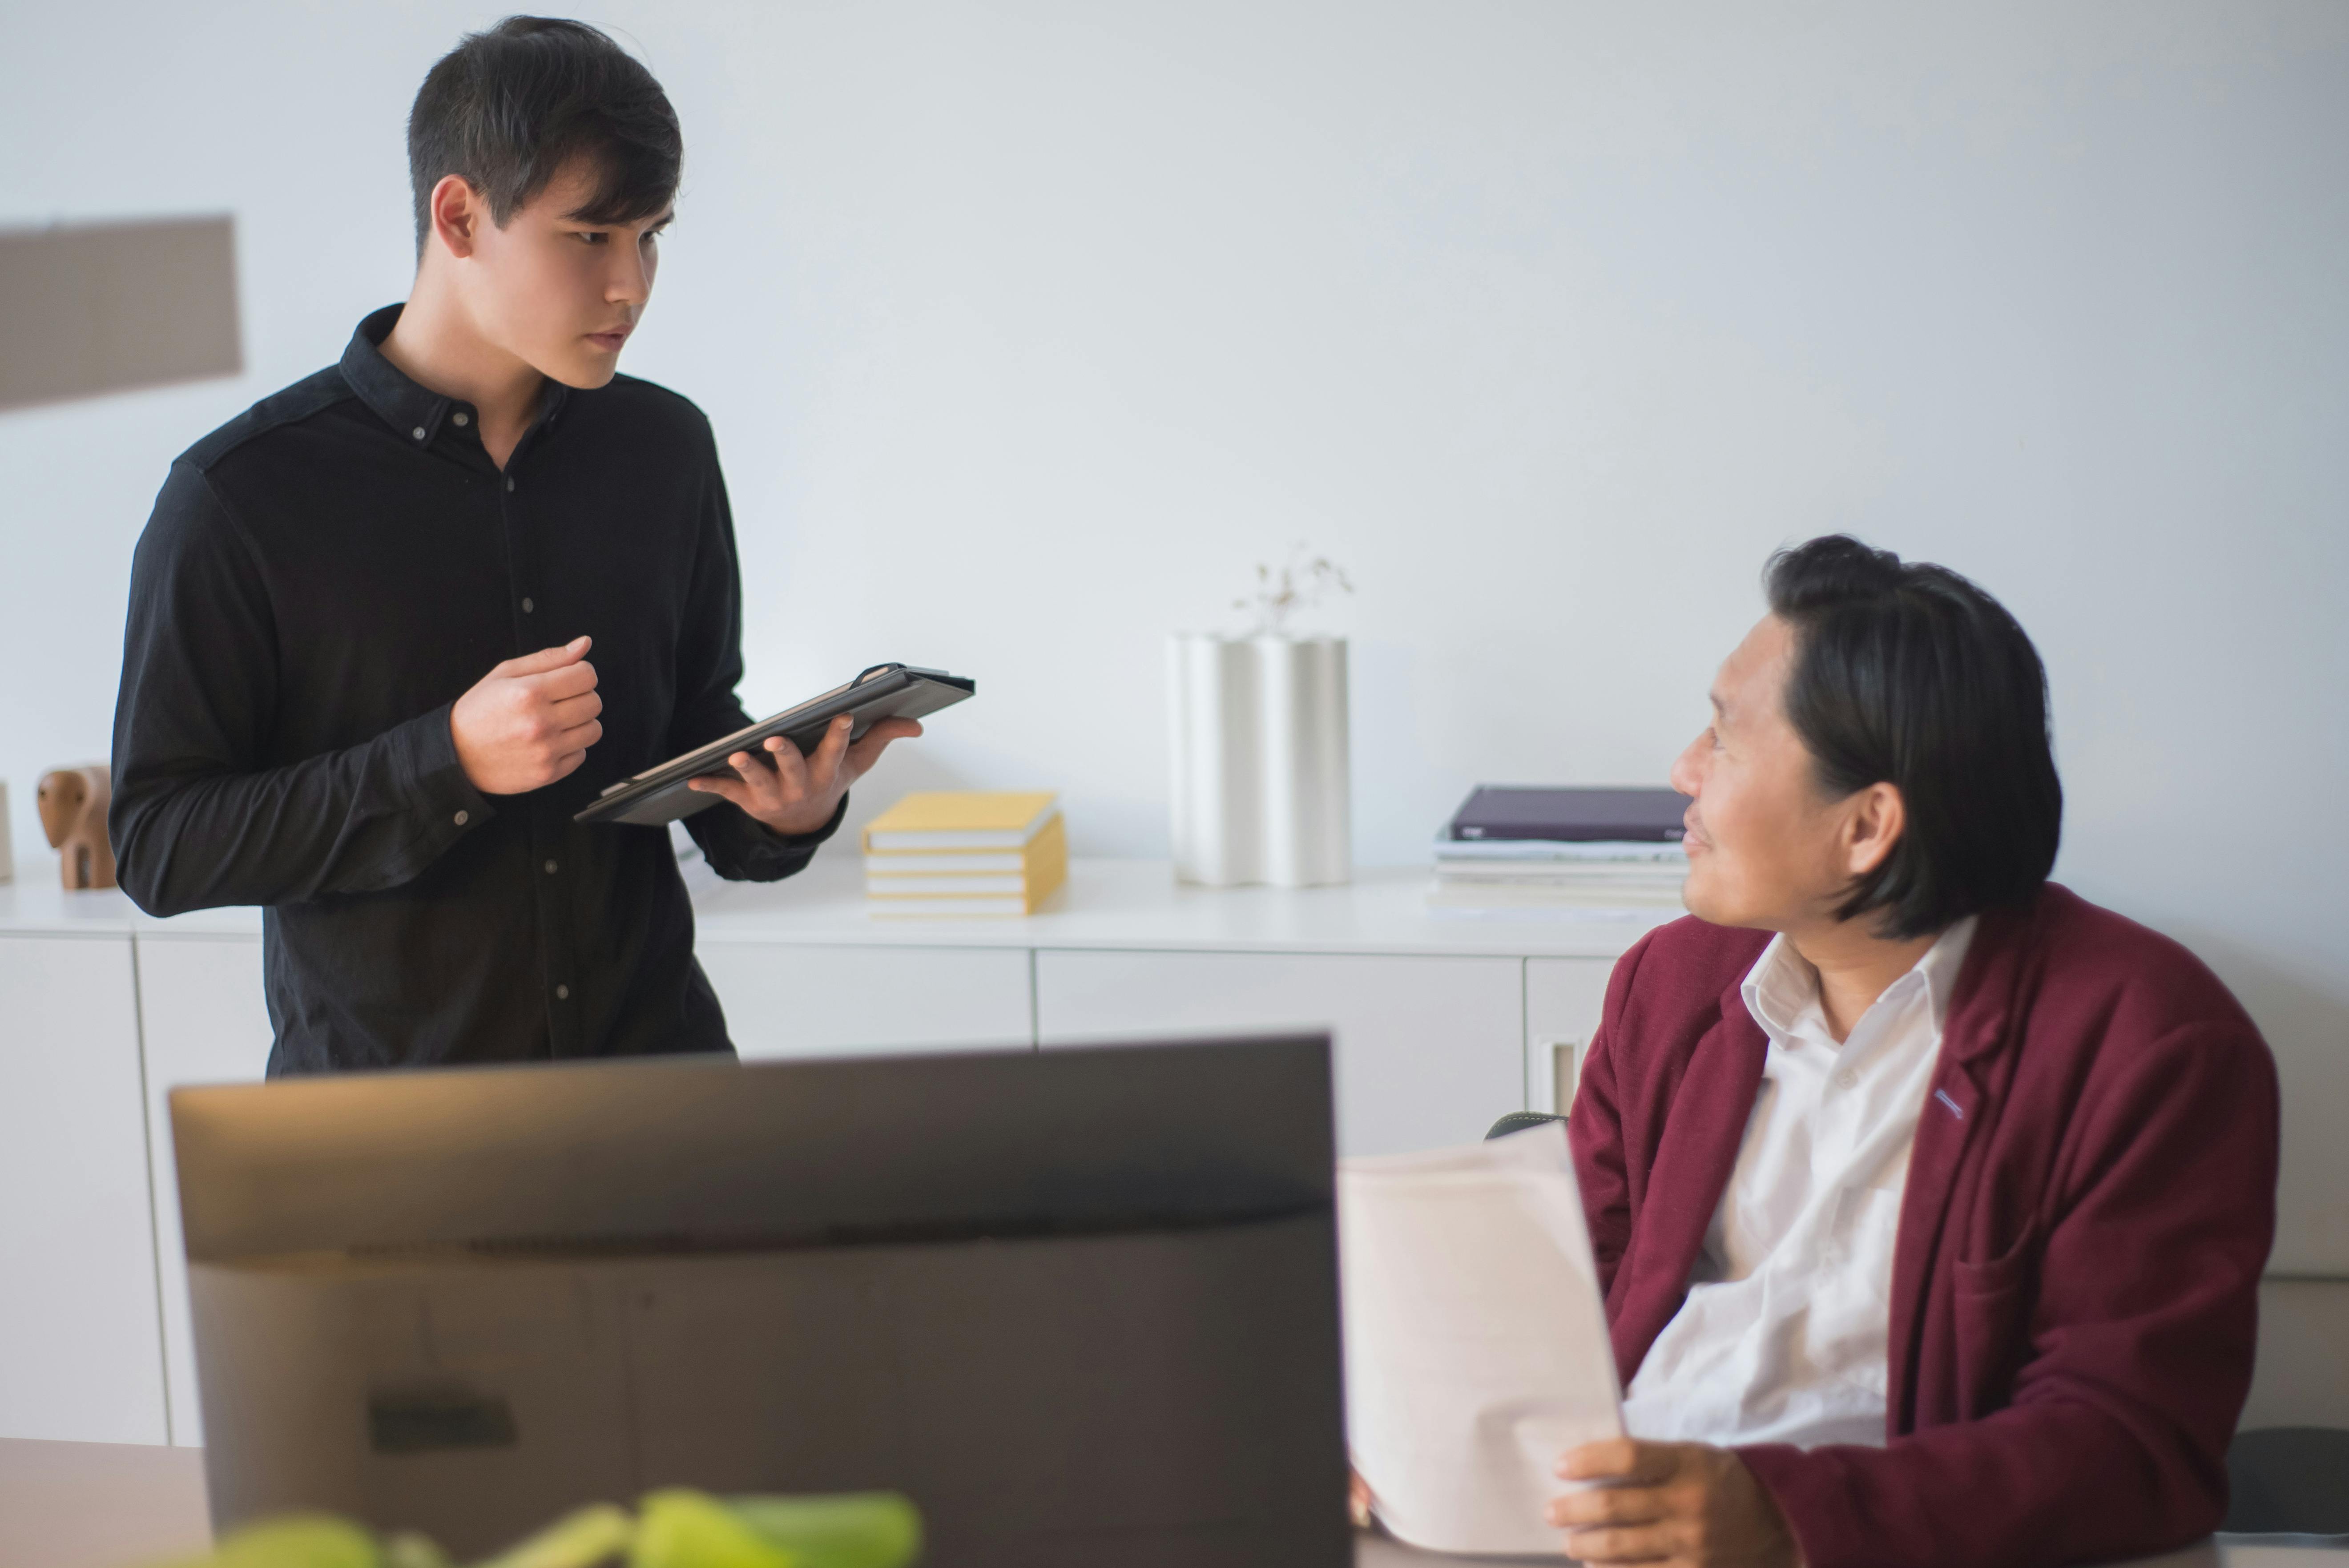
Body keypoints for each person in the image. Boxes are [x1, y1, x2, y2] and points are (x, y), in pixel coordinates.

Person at [108, 17, 915, 1073]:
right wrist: (446, 759)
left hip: (663, 1099)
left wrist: (789, 812)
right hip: (396, 1140)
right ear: (459, 217)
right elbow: (160, 844)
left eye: (650, 235)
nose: (632, 284)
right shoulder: (240, 495)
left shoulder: (665, 447)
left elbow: (694, 718)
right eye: (591, 236)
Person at [1549, 536, 2277, 1568]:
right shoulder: (1668, 986)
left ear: (1865, 827)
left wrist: (1780, 1515)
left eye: (1724, 735)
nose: (1683, 769)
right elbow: (1559, 1293)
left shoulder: (2148, 1041)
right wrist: (1410, 1435)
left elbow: (2128, 1440)